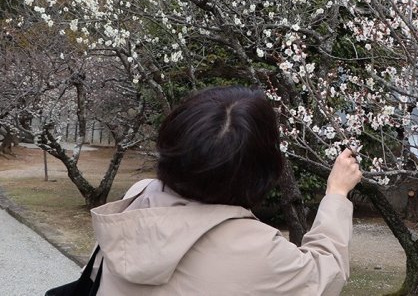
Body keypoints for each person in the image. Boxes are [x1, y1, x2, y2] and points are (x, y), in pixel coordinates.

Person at [89, 86, 362, 295]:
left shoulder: (137, 201)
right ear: (262, 170)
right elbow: (326, 271)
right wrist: (336, 194)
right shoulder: (258, 251)